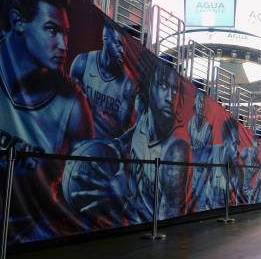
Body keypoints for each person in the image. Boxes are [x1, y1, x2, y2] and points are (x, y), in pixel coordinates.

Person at [0, 0, 93, 242]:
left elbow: (81, 184)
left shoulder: (72, 104)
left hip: (30, 235)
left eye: (65, 33)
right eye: (52, 30)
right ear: (18, 22)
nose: (64, 45)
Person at [65, 58, 192, 223]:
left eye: (175, 90)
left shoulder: (176, 150)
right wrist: (107, 148)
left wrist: (121, 197)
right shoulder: (145, 117)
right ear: (149, 88)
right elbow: (129, 137)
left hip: (151, 237)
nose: (170, 97)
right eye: (163, 85)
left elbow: (170, 224)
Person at [70, 17, 137, 138]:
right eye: (118, 44)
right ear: (106, 39)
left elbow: (122, 128)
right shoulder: (82, 63)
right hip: (79, 141)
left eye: (124, 47)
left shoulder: (128, 83)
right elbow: (70, 110)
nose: (122, 51)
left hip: (105, 148)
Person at [189, 88, 213, 211]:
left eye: (203, 102)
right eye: (199, 101)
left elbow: (205, 158)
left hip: (203, 173)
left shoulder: (208, 128)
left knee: (201, 203)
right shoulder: (190, 123)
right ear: (194, 102)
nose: (201, 105)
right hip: (192, 171)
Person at [240, 130, 261, 204]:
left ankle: (250, 200)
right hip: (252, 168)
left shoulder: (249, 148)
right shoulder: (258, 146)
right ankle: (251, 198)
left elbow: (242, 156)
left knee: (246, 187)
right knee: (248, 186)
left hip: (249, 167)